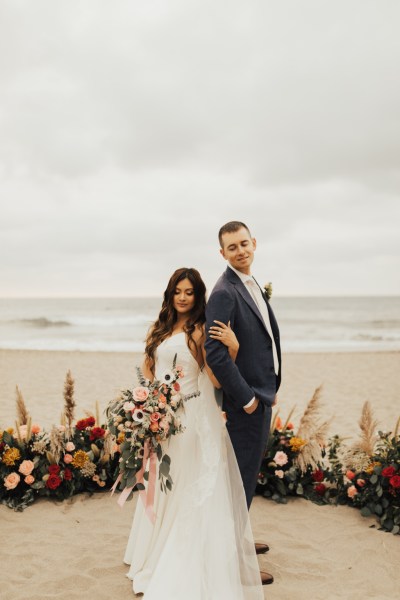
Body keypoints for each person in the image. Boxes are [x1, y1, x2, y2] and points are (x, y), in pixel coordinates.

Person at [123, 267, 264, 599]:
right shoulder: (159, 329)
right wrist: (145, 406)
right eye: (178, 292)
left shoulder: (200, 331)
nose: (183, 297)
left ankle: (182, 549)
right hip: (160, 417)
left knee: (185, 481)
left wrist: (232, 348)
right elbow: (149, 371)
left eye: (189, 292)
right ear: (170, 294)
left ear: (198, 297)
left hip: (191, 416)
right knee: (161, 482)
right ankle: (152, 547)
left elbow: (216, 379)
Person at [205, 221, 282, 585]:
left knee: (246, 478)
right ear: (222, 254)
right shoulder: (224, 292)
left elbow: (261, 340)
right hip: (245, 404)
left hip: (262, 394)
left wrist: (269, 384)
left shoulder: (249, 284)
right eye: (232, 247)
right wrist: (249, 399)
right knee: (238, 482)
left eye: (244, 243)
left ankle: (240, 541)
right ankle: (234, 562)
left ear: (255, 244)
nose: (240, 251)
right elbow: (215, 355)